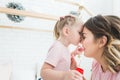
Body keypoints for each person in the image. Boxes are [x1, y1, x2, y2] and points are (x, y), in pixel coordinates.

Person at [40, 15, 84, 80]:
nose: (82, 37)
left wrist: (73, 54)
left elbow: (61, 60)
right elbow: (43, 72)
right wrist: (64, 75)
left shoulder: (64, 47)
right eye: (80, 33)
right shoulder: (57, 47)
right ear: (66, 31)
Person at [80, 15, 120, 80]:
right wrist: (76, 70)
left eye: (84, 37)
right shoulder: (96, 65)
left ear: (102, 41)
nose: (80, 41)